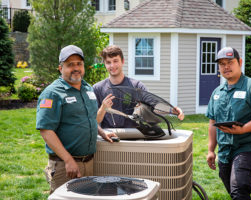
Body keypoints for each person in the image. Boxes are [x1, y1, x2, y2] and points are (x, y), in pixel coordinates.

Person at [36, 45, 116, 193]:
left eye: (79, 63)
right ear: (60, 68)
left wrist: (101, 132)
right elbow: (46, 130)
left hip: (89, 162)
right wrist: (68, 160)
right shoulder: (52, 93)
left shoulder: (88, 89)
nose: (76, 68)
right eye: (70, 64)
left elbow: (88, 118)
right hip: (65, 166)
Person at [205, 47, 251, 200]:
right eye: (222, 64)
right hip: (225, 151)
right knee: (235, 192)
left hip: (248, 146)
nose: (226, 67)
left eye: (230, 62)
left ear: (240, 62)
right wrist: (210, 150)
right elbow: (212, 122)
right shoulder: (217, 92)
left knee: (239, 189)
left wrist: (243, 130)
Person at [93, 45, 184, 133]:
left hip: (133, 137)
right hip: (108, 138)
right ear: (104, 64)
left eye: (115, 61)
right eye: (108, 62)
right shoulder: (97, 89)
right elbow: (93, 121)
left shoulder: (136, 86)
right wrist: (103, 108)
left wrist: (172, 110)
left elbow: (153, 106)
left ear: (123, 61)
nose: (112, 65)